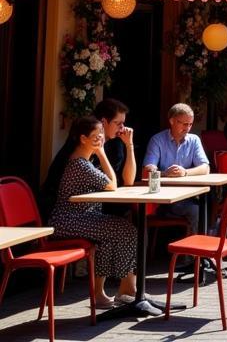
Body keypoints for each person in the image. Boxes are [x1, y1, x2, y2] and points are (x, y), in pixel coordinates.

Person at [49, 116, 138, 309]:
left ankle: (104, 292)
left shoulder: (86, 161)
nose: (101, 139)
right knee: (125, 229)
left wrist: (99, 151)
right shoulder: (80, 164)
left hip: (82, 218)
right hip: (68, 221)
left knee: (118, 231)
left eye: (101, 136)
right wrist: (102, 153)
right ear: (83, 139)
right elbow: (112, 184)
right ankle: (126, 288)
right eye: (96, 136)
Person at [40, 98, 137, 219]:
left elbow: (128, 181)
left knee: (126, 212)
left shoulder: (116, 143)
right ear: (104, 121)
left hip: (98, 202)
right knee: (123, 223)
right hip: (70, 211)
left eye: (123, 123)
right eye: (118, 123)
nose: (123, 128)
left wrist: (129, 146)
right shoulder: (84, 145)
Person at [142, 103, 210, 234]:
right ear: (172, 121)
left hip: (187, 195)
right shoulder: (157, 140)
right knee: (196, 211)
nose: (188, 128)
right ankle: (196, 252)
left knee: (209, 203)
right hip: (163, 199)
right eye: (184, 124)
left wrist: (185, 172)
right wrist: (165, 173)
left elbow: (205, 167)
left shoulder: (194, 140)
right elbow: (147, 171)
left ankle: (200, 249)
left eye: (190, 124)